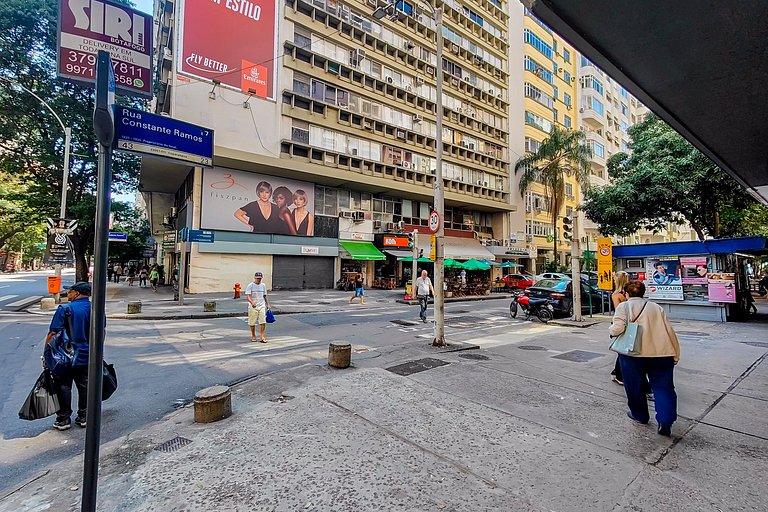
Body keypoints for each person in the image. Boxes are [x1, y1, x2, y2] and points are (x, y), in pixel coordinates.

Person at [609, 280, 680, 437]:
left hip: (634, 353)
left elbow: (617, 328)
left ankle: (639, 415)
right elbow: (669, 331)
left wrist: (611, 331)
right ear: (643, 292)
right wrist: (675, 353)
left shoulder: (624, 306)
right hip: (662, 353)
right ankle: (665, 421)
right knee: (664, 388)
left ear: (627, 294)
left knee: (634, 386)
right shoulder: (656, 307)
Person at [44, 282, 93, 431]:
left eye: (70, 292)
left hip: (64, 356)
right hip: (86, 354)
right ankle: (84, 416)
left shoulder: (65, 309)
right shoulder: (96, 308)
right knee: (84, 384)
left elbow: (53, 333)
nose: (68, 294)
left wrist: (46, 355)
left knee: (63, 385)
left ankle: (63, 419)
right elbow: (101, 331)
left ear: (77, 293)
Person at [610, 271, 630, 385]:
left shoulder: (616, 295)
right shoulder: (630, 293)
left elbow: (619, 312)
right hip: (633, 322)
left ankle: (620, 375)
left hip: (622, 323)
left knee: (620, 349)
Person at [246, 272, 271, 343]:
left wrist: (267, 304)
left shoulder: (263, 285)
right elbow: (248, 296)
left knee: (263, 321)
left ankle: (262, 336)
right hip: (253, 306)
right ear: (254, 278)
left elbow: (265, 295)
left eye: (260, 278)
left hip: (261, 305)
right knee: (252, 322)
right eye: (257, 278)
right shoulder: (250, 285)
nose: (258, 280)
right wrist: (252, 302)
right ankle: (253, 335)